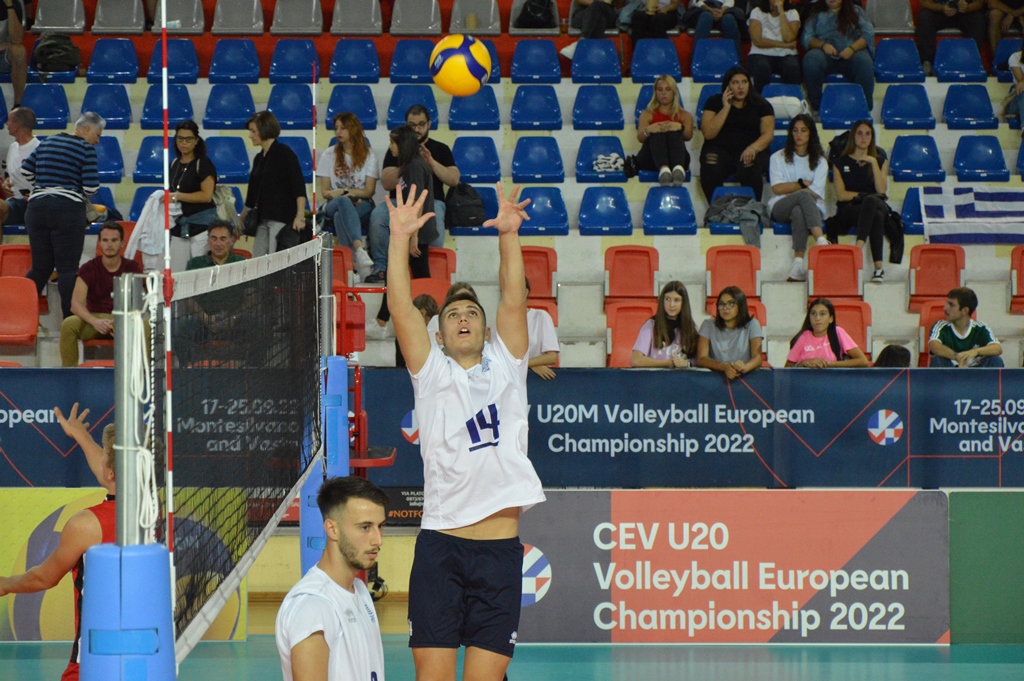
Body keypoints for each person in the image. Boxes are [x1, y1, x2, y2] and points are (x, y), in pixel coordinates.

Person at [387, 181, 545, 681]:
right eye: (452, 314)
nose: (462, 318)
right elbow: (401, 308)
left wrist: (509, 236)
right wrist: (398, 239)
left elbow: (514, 299)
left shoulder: (508, 364)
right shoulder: (431, 371)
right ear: (438, 333)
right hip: (441, 548)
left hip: (500, 553)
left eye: (472, 313)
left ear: (486, 330)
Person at [0, 403, 116, 681]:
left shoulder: (86, 524)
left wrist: (5, 584)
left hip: (92, 661)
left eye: (105, 456)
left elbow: (43, 578)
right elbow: (111, 475)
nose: (100, 460)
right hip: (144, 657)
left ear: (111, 472)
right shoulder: (153, 511)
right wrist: (81, 436)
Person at [275, 476, 387, 681]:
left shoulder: (360, 590)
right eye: (365, 527)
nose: (378, 540)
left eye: (380, 526)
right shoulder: (313, 606)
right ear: (332, 529)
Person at [22, 112, 102, 319]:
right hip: (67, 210)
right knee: (67, 269)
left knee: (40, 269)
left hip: (36, 208)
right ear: (86, 129)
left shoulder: (48, 141)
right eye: (97, 135)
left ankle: (19, 316)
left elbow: (26, 171)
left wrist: (46, 186)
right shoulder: (85, 148)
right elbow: (91, 188)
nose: (98, 141)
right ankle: (69, 323)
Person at [366, 105, 458, 282]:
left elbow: (452, 180)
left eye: (421, 124)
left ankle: (432, 266)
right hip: (401, 205)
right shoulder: (402, 157)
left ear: (429, 124)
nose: (416, 129)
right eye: (412, 125)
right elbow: (386, 182)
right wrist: (404, 163)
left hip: (425, 207)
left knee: (434, 219)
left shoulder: (436, 151)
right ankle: (381, 267)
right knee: (378, 217)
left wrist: (431, 163)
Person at [371, 125, 440, 335]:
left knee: (395, 274)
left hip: (415, 232)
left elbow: (417, 201)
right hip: (413, 232)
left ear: (403, 144)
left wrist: (413, 236)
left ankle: (382, 322)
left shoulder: (414, 167)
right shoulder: (409, 166)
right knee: (419, 277)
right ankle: (431, 322)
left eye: (393, 142)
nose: (390, 147)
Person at [59, 221, 142, 367]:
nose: (109, 245)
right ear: (99, 243)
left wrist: (120, 320)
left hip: (123, 318)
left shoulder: (132, 267)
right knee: (68, 325)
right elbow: (75, 304)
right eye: (105, 240)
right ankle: (69, 373)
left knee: (145, 327)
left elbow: (138, 302)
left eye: (114, 240)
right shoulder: (88, 268)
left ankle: (143, 374)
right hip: (94, 320)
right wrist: (95, 321)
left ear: (122, 244)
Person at [768, 113, 829, 282]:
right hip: (780, 205)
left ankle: (798, 264)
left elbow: (815, 193)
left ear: (811, 133)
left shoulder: (820, 162)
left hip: (812, 208)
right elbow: (777, 188)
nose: (799, 135)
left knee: (798, 211)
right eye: (795, 130)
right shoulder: (777, 158)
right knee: (803, 195)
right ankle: (821, 240)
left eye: (803, 130)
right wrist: (801, 184)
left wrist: (792, 190)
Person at [699, 66, 775, 202]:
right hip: (720, 150)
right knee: (710, 162)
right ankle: (718, 207)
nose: (741, 87)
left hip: (750, 149)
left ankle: (753, 207)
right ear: (727, 85)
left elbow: (768, 134)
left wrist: (753, 148)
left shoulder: (762, 105)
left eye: (744, 82)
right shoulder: (714, 102)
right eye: (735, 82)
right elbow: (709, 134)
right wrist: (726, 107)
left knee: (749, 163)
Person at [316, 112, 377, 277]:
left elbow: (369, 191)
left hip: (361, 203)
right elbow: (325, 192)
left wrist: (346, 192)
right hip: (334, 202)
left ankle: (350, 266)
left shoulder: (369, 155)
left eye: (343, 128)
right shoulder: (329, 154)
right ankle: (360, 250)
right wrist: (343, 194)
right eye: (336, 128)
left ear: (353, 129)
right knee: (343, 202)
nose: (338, 132)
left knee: (339, 216)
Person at [830, 119, 889, 282]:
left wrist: (872, 161)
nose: (864, 138)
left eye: (868, 134)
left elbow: (881, 190)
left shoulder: (880, 161)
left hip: (877, 204)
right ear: (853, 137)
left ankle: (858, 248)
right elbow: (841, 195)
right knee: (875, 213)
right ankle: (879, 268)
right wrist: (863, 196)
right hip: (851, 209)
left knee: (872, 202)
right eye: (860, 134)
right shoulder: (840, 163)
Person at [242, 111, 307, 258]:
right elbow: (252, 195)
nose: (250, 135)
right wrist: (242, 220)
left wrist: (300, 216)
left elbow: (298, 187)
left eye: (253, 131)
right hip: (261, 219)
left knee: (276, 260)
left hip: (281, 218)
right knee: (258, 260)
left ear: (264, 130)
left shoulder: (285, 153)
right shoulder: (259, 158)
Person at [801, 0, 875, 116]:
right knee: (811, 60)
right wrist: (822, 45)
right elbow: (807, 37)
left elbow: (868, 34)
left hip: (852, 52)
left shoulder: (856, 11)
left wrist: (852, 48)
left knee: (865, 62)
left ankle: (864, 109)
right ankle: (817, 108)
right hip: (824, 54)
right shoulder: (816, 13)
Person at [169, 120, 218, 271]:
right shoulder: (174, 163)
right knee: (177, 272)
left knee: (200, 271)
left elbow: (206, 196)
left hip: (201, 226)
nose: (184, 143)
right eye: (180, 138)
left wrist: (178, 196)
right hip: (179, 226)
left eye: (188, 139)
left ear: (196, 140)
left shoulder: (203, 163)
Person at [635, 74, 693, 186]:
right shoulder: (647, 114)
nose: (663, 93)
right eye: (660, 89)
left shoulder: (685, 115)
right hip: (651, 159)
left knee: (674, 131)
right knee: (657, 133)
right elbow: (640, 138)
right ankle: (664, 170)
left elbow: (688, 136)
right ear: (655, 92)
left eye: (668, 89)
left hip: (677, 157)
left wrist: (679, 127)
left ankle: (677, 169)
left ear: (674, 92)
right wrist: (649, 130)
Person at [696, 286, 764, 378]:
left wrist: (743, 368)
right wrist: (723, 367)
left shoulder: (752, 324)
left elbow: (758, 358)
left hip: (745, 377)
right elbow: (701, 359)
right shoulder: (708, 325)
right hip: (716, 378)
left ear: (740, 306)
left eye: (731, 303)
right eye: (721, 304)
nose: (725, 308)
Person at [928, 287, 1005, 367]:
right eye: (947, 303)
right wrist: (959, 357)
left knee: (996, 360)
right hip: (951, 370)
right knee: (938, 360)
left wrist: (975, 352)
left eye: (951, 305)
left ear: (965, 310)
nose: (945, 308)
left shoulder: (981, 328)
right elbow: (934, 346)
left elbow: (997, 348)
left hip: (976, 371)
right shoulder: (940, 326)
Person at [630, 280, 698, 368]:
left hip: (681, 376)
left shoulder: (691, 328)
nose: (671, 304)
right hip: (656, 376)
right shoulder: (651, 325)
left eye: (676, 300)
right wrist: (667, 363)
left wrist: (686, 364)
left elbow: (699, 361)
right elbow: (636, 360)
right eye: (667, 299)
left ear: (683, 303)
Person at [786, 298, 869, 367]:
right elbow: (787, 368)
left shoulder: (837, 332)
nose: (817, 318)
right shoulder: (803, 337)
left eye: (822, 314)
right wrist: (803, 363)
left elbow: (863, 361)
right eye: (813, 313)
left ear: (831, 318)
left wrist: (827, 364)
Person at [915, 0, 986, 77]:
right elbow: (924, 3)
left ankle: (971, 60)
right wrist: (941, 8)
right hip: (939, 13)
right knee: (924, 16)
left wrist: (968, 7)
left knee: (978, 18)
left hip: (964, 14)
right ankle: (928, 62)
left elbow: (979, 3)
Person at [746, 0, 802, 94]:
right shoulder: (757, 11)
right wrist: (784, 45)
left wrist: (781, 13)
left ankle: (793, 101)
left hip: (786, 54)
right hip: (760, 53)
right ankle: (759, 101)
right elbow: (758, 41)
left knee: (792, 68)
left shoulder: (792, 13)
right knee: (762, 68)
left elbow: (788, 38)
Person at [0, 105, 38, 234]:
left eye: (9, 120)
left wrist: (36, 194)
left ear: (17, 125)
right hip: (13, 202)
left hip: (32, 204)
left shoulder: (39, 149)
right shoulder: (12, 147)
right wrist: (5, 184)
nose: (6, 123)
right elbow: (10, 176)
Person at [526, 278, 559, 380]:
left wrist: (528, 364)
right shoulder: (500, 320)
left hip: (536, 379)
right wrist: (532, 364)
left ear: (525, 292)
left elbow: (552, 357)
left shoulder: (541, 316)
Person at [0, 0, 26, 108]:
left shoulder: (15, 4)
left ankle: (17, 105)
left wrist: (9, 7)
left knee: (19, 52)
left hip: (4, 55)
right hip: (3, 47)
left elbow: (16, 39)